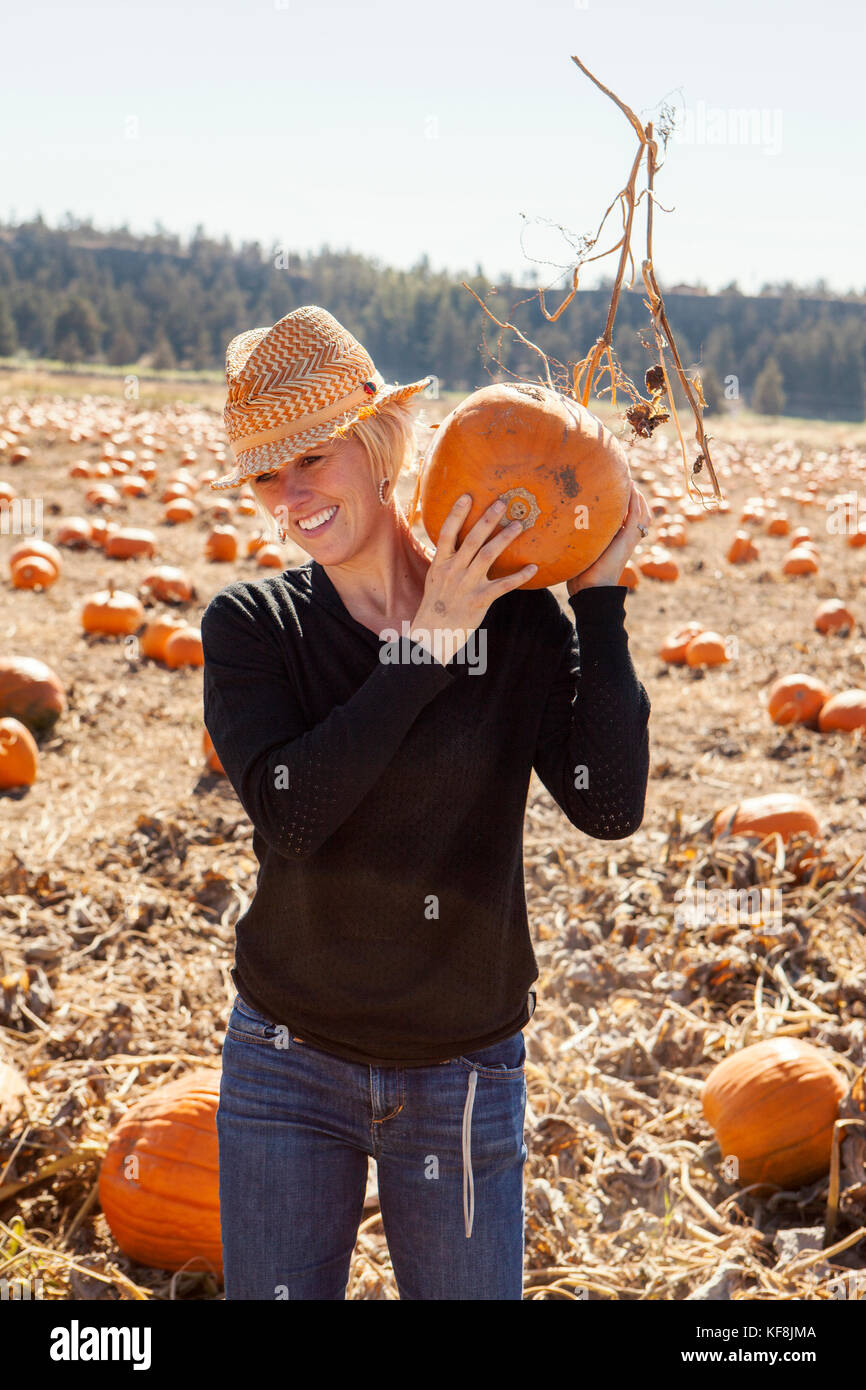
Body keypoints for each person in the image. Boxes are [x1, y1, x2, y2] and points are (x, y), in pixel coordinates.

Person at [201, 304, 651, 1300]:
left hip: (461, 1073)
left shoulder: (519, 619)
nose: (293, 495)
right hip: (287, 1065)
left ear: (375, 439)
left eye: (312, 455)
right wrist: (426, 648)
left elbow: (608, 803)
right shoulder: (251, 627)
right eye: (268, 475)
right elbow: (294, 816)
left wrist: (602, 595)